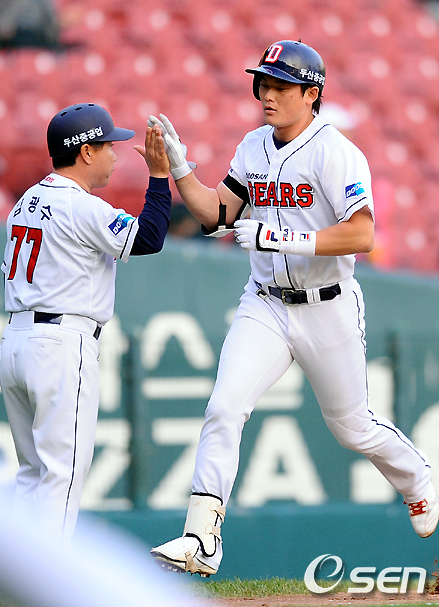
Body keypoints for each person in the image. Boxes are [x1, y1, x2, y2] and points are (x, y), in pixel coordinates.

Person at [148, 40, 439, 577]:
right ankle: (202, 538)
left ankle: (417, 476)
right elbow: (218, 212)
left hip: (327, 304)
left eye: (282, 85)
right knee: (224, 407)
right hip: (265, 303)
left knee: (352, 427)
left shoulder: (335, 151)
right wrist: (181, 169)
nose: (268, 94)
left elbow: (362, 233)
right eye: (264, 83)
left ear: (311, 94)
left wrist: (281, 238)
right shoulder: (253, 145)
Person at [0, 102, 171, 545]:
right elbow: (149, 238)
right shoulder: (80, 206)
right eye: (108, 145)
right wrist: (158, 176)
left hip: (16, 339)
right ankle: (46, 579)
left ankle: (17, 574)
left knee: (32, 474)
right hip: (59, 344)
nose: (114, 153)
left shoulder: (25, 201)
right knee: (63, 474)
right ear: (86, 152)